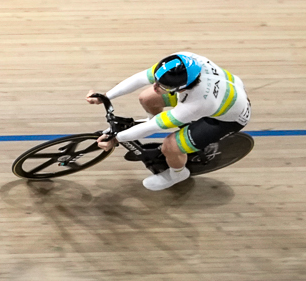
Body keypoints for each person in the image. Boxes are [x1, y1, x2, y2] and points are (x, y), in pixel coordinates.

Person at [87, 51, 249, 191]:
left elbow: (154, 127)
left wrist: (116, 138)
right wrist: (107, 96)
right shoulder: (181, 61)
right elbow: (141, 78)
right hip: (223, 93)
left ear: (183, 87)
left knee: (170, 145)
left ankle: (177, 174)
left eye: (164, 86)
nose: (156, 87)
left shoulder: (198, 102)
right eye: (157, 81)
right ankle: (172, 125)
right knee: (147, 97)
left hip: (225, 119)